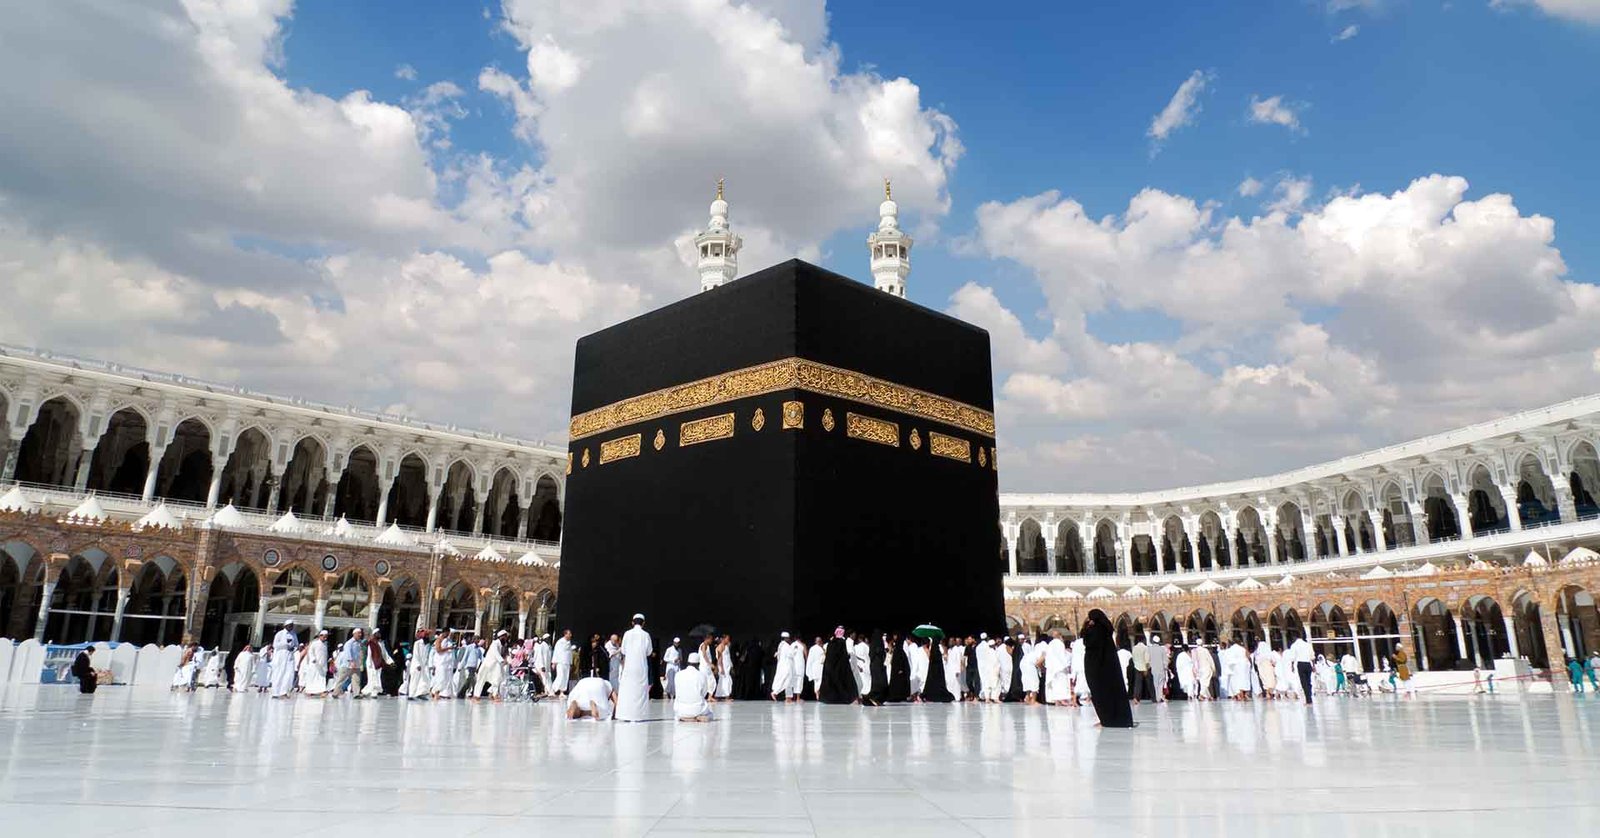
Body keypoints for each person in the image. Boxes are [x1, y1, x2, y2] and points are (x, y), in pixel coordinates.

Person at [1080, 609, 1135, 728]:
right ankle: (1117, 719)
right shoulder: (1106, 629)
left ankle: (1107, 720)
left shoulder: (1095, 630)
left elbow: (1087, 641)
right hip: (1109, 668)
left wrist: (1086, 627)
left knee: (1100, 694)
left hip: (1097, 668)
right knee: (1113, 693)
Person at [615, 613, 653, 721]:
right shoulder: (646, 635)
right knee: (640, 691)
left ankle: (625, 715)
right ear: (643, 623)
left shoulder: (627, 634)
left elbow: (623, 650)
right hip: (641, 666)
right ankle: (638, 716)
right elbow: (649, 651)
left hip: (629, 666)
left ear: (632, 622)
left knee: (627, 690)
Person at [817, 628, 859, 704]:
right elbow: (844, 655)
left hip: (831, 668)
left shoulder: (831, 642)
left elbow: (829, 656)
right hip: (841, 667)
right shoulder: (842, 642)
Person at [674, 652, 714, 721]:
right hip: (698, 709)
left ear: (688, 663)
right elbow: (704, 693)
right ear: (698, 664)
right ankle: (696, 717)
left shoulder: (678, 674)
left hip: (681, 709)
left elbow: (677, 691)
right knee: (711, 715)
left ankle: (685, 718)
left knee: (677, 714)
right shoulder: (702, 675)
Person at [473, 630, 508, 700]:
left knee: (497, 679)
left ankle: (494, 695)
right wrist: (502, 660)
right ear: (502, 637)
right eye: (505, 637)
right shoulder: (495, 643)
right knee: (481, 679)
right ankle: (476, 695)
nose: (506, 638)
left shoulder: (501, 644)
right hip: (488, 664)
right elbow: (496, 653)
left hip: (495, 665)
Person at [269, 621, 300, 699]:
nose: (291, 627)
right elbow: (275, 645)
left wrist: (294, 648)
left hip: (290, 656)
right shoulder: (279, 634)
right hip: (281, 656)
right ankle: (275, 692)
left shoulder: (294, 634)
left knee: (288, 674)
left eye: (292, 626)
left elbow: (297, 645)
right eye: (289, 625)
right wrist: (285, 645)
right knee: (279, 674)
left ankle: (284, 692)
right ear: (285, 626)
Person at [332, 628, 365, 698]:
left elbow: (360, 652)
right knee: (342, 679)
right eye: (358, 633)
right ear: (354, 634)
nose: (360, 634)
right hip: (347, 665)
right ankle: (335, 693)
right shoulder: (349, 643)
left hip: (356, 665)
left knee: (356, 680)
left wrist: (360, 662)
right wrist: (351, 661)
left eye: (360, 633)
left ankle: (356, 694)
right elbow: (347, 653)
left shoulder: (360, 642)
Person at [1043, 630, 1070, 706]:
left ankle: (1057, 701)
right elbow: (1062, 656)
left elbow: (1048, 657)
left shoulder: (1050, 644)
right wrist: (1066, 665)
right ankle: (1061, 700)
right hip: (1060, 668)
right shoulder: (1060, 643)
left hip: (1052, 668)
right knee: (1061, 683)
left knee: (1055, 684)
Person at [1286, 633, 1315, 705]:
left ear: (1294, 638)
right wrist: (1314, 666)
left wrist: (1292, 666)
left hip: (1300, 664)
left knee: (1304, 682)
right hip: (1308, 664)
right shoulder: (1307, 645)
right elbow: (1312, 656)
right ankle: (1309, 697)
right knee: (1309, 681)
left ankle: (1308, 700)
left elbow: (1292, 657)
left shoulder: (1294, 645)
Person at [771, 632, 800, 702]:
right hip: (787, 666)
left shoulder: (781, 645)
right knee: (786, 680)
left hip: (784, 665)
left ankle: (788, 697)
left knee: (789, 681)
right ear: (786, 638)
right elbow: (791, 654)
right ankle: (775, 692)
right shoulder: (785, 646)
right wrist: (795, 649)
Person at [301, 630, 330, 697]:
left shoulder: (325, 644)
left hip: (322, 665)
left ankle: (321, 691)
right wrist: (313, 658)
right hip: (315, 664)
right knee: (313, 678)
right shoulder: (314, 643)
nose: (325, 638)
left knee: (321, 679)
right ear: (320, 636)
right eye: (324, 636)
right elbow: (310, 651)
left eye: (326, 636)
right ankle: (310, 691)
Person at [407, 630, 432, 699]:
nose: (427, 637)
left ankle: (421, 693)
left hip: (424, 666)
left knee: (425, 680)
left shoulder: (428, 644)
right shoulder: (417, 643)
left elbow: (427, 656)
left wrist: (428, 665)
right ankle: (411, 695)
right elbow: (416, 654)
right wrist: (418, 664)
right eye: (426, 635)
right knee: (415, 680)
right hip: (417, 665)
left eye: (428, 635)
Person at [1129, 637, 1153, 704]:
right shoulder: (1145, 648)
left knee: (1137, 684)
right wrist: (1146, 668)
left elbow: (1133, 657)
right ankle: (1154, 698)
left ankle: (1136, 698)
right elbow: (1147, 659)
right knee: (1150, 684)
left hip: (1137, 667)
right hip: (1144, 667)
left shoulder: (1134, 648)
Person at [551, 630, 574, 696]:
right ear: (565, 634)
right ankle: (553, 689)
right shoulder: (560, 642)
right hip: (560, 662)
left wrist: (571, 662)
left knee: (565, 677)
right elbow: (556, 652)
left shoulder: (569, 642)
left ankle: (562, 692)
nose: (570, 635)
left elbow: (570, 654)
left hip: (567, 662)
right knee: (560, 676)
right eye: (569, 634)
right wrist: (554, 663)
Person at [1148, 635, 1170, 703]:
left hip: (1154, 669)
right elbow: (1165, 660)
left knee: (1156, 684)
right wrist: (1165, 667)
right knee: (1161, 684)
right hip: (1161, 669)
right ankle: (1159, 697)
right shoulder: (1162, 649)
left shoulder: (1149, 649)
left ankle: (1158, 698)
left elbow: (1148, 659)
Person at [806, 636, 826, 700]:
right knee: (817, 681)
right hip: (815, 666)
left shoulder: (823, 648)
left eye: (820, 640)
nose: (819, 642)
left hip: (821, 666)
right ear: (815, 641)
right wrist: (809, 668)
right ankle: (817, 693)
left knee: (820, 680)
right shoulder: (813, 648)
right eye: (818, 640)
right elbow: (810, 659)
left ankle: (818, 694)